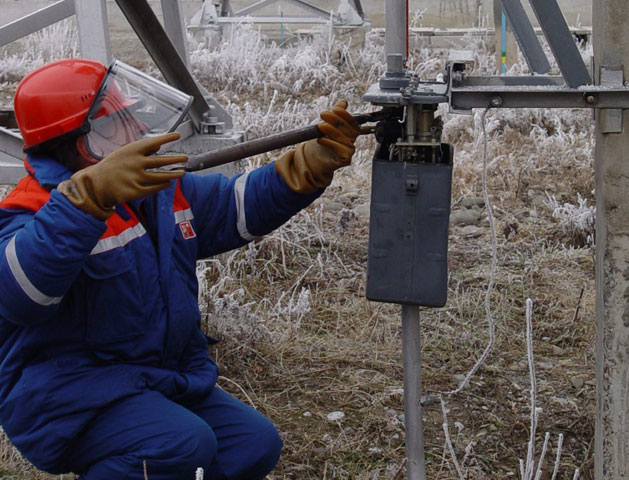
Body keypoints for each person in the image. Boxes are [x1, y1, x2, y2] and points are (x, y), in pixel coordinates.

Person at [0, 58, 362, 479]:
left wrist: (306, 167)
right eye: (120, 120)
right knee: (180, 446)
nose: (138, 129)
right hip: (67, 398)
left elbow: (232, 206)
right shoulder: (30, 211)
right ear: (85, 142)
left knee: (252, 444)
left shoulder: (157, 192)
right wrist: (88, 200)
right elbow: (19, 294)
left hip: (151, 380)